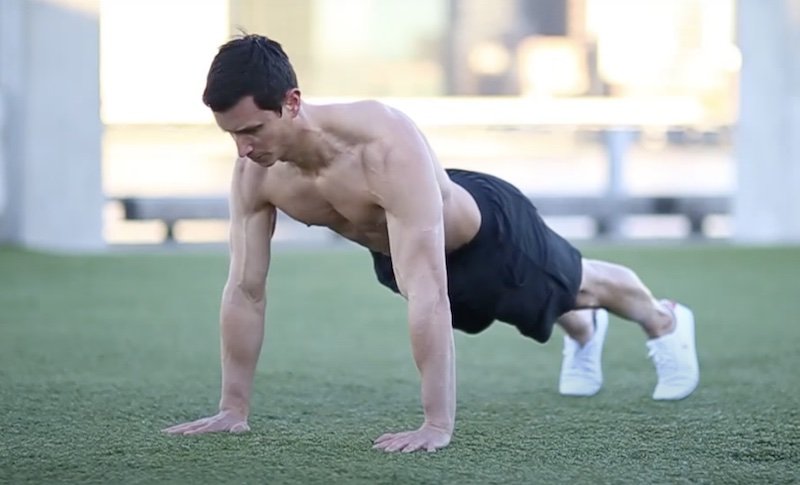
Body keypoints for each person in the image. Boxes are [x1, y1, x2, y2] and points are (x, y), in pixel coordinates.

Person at [162, 34, 699, 453]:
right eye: (231, 134)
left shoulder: (381, 143)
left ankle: (664, 319)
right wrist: (233, 410)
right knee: (527, 304)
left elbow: (428, 291)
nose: (243, 148)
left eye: (252, 128)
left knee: (580, 284)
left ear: (293, 101)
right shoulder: (257, 172)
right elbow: (245, 290)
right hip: (403, 254)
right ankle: (583, 331)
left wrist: (436, 423)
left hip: (489, 235)